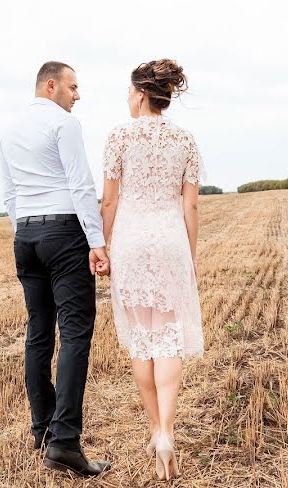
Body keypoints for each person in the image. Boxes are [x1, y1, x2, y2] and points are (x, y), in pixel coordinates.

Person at [0, 61, 111, 477]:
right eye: (73, 86)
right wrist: (96, 242)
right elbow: (81, 184)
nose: (77, 95)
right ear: (51, 86)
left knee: (38, 333)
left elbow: (9, 192)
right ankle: (64, 442)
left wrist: (25, 229)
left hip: (26, 235)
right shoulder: (65, 124)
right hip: (64, 232)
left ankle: (42, 430)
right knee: (76, 332)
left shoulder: (9, 129)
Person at [100, 58, 205, 481]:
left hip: (131, 243)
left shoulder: (119, 137)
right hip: (171, 243)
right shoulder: (185, 140)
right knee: (169, 337)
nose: (127, 99)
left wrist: (103, 246)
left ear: (142, 94)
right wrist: (190, 255)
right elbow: (191, 204)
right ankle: (168, 431)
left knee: (142, 340)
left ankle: (155, 428)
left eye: (129, 92)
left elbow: (108, 202)